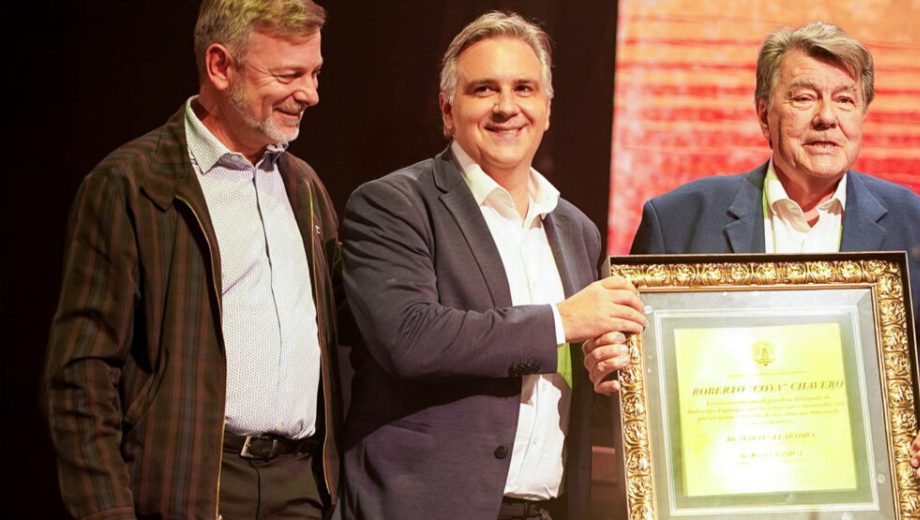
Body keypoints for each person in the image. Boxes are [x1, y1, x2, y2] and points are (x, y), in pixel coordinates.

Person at [584, 21, 920, 489]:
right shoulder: (678, 220)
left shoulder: (916, 224)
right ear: (764, 114)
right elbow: (631, 387)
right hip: (715, 496)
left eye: (845, 100)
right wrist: (609, 371)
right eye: (804, 98)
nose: (827, 118)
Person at [339, 10, 645, 520]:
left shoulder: (576, 229)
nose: (507, 107)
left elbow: (575, 372)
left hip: (549, 509)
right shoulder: (393, 204)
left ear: (547, 109)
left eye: (524, 89)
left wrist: (602, 367)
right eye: (484, 90)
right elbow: (410, 337)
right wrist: (562, 321)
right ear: (447, 110)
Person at [42, 1, 344, 518]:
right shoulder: (133, 185)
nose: (310, 94)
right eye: (288, 75)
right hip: (194, 488)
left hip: (301, 488)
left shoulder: (305, 187)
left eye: (314, 73)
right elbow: (81, 378)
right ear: (220, 66)